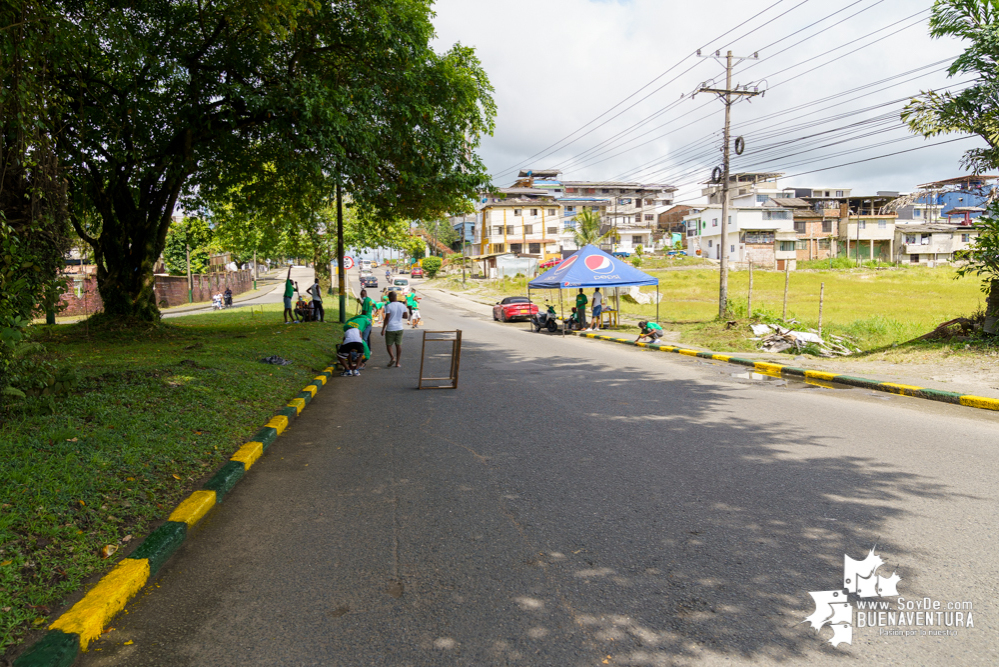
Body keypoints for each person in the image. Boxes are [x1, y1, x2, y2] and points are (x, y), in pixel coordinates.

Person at [380, 290, 409, 367]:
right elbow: (406, 316)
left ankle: (392, 357)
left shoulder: (389, 306)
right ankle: (398, 363)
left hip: (390, 328)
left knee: (389, 345)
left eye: (389, 297)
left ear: (392, 297)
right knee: (398, 345)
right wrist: (399, 315)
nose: (388, 299)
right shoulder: (402, 305)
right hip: (399, 328)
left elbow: (387, 318)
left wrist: (383, 329)